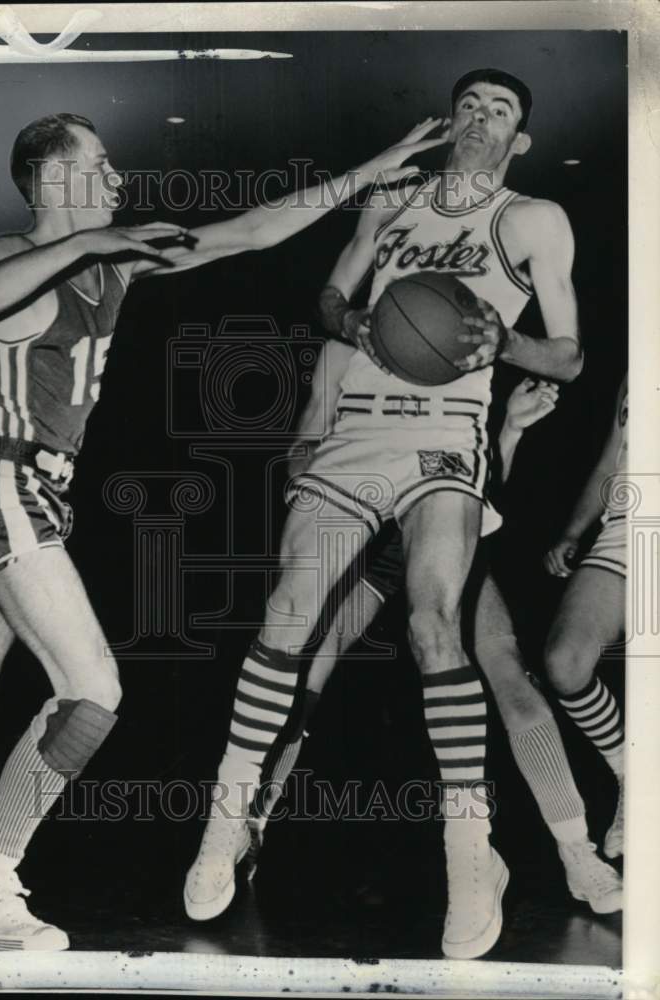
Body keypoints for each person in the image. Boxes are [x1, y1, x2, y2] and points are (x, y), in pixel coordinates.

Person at [0, 111, 447, 951]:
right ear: (55, 182)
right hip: (1, 486)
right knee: (92, 690)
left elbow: (253, 230)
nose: (119, 178)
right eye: (101, 163)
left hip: (30, 499)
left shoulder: (111, 264)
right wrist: (92, 244)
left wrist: (371, 168)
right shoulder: (16, 255)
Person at [184, 69, 583, 960]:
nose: (480, 120)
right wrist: (353, 326)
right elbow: (327, 297)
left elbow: (568, 355)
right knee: (288, 615)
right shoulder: (395, 197)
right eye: (470, 106)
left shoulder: (531, 220)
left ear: (517, 140)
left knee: (434, 623)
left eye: (501, 112)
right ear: (449, 121)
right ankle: (226, 820)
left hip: (446, 439)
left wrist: (504, 343)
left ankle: (467, 853)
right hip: (355, 434)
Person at [243, 370, 621, 917]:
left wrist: (509, 431)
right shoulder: (353, 358)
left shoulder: (456, 368)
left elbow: (483, 495)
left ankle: (577, 854)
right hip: (372, 538)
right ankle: (251, 820)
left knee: (509, 674)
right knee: (309, 673)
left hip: (442, 538)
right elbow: (301, 454)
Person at [543, 374, 628, 859]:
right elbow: (608, 465)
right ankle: (631, 774)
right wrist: (573, 530)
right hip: (628, 529)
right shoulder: (635, 374)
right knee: (564, 662)